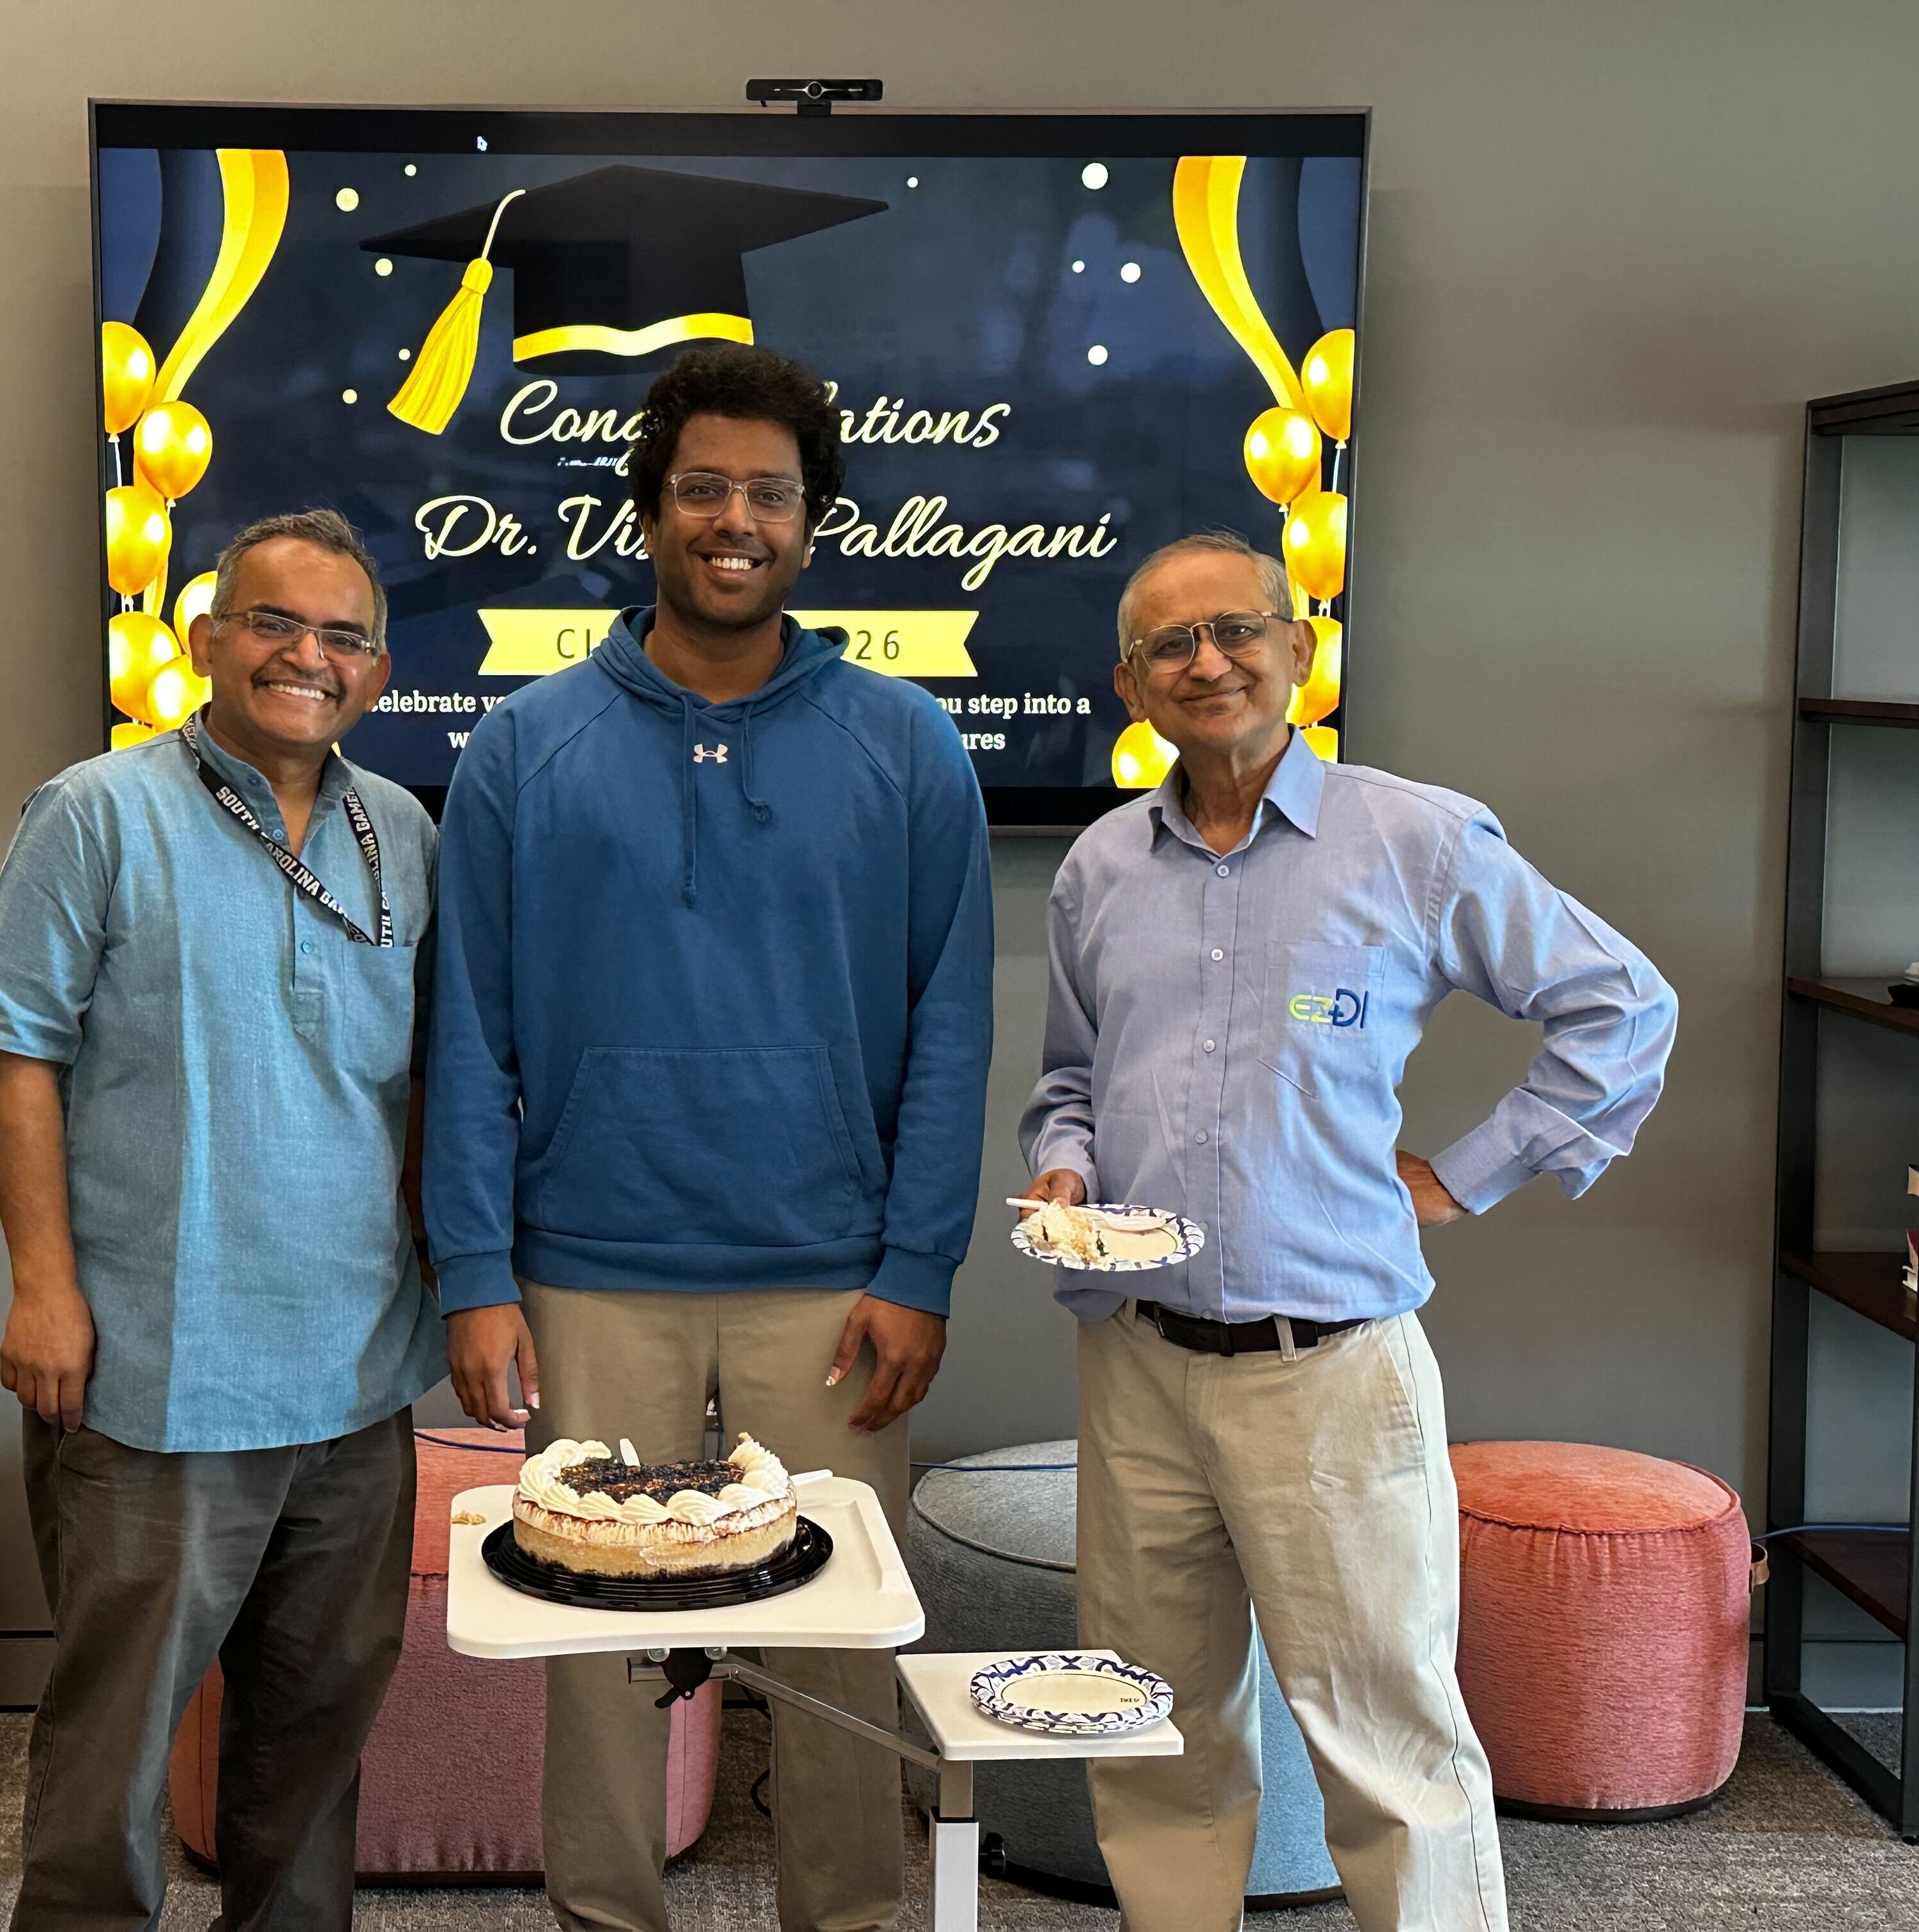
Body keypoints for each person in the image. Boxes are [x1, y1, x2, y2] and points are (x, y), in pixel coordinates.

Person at [1019, 531, 1677, 1932]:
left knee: (1393, 1751)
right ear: (1130, 687)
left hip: (1330, 1369)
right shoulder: (1099, 871)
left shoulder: (1414, 839)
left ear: (1298, 651)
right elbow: (1070, 1081)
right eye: (1168, 647)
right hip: (1135, 1367)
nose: (1207, 662)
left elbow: (1623, 1009)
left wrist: (1469, 1174)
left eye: (1235, 630)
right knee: (1153, 1732)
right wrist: (1067, 1172)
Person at [429, 342, 994, 1932]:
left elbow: (952, 1024)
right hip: (586, 1269)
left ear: (813, 526)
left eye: (769, 494)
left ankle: (848, 1918)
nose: (732, 521)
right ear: (650, 512)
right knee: (596, 1642)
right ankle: (606, 1913)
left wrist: (922, 1263)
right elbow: (467, 1024)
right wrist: (474, 1264)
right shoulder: (526, 746)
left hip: (833, 1278)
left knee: (835, 1642)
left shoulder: (905, 744)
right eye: (702, 490)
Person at [0, 509, 443, 1932]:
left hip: (354, 1375)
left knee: (315, 1731)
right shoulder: (97, 811)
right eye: (275, 624)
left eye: (343, 635)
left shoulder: (401, 831)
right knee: (113, 1745)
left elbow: (413, 1090)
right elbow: (17, 1056)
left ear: (382, 669)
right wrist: (42, 1288)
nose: (309, 657)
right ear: (205, 639)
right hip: (156, 1373)